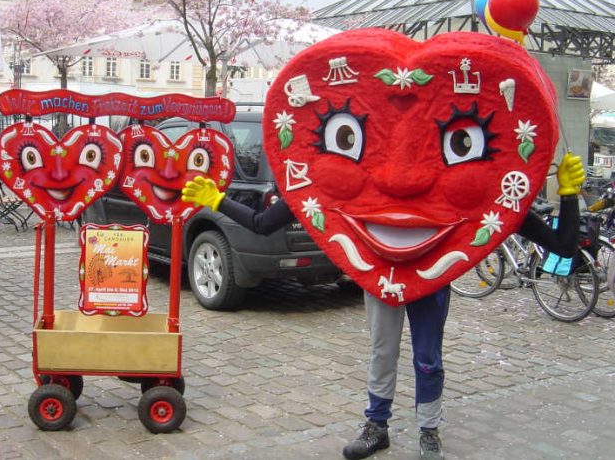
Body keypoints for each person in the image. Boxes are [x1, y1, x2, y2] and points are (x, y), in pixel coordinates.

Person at [182, 153, 585, 460]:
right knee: (382, 352)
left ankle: (429, 430)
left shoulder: (467, 182)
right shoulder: (346, 176)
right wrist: (218, 201)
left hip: (431, 280)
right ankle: (377, 426)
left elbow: (562, 245)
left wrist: (569, 196)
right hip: (381, 277)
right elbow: (264, 223)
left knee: (428, 358)